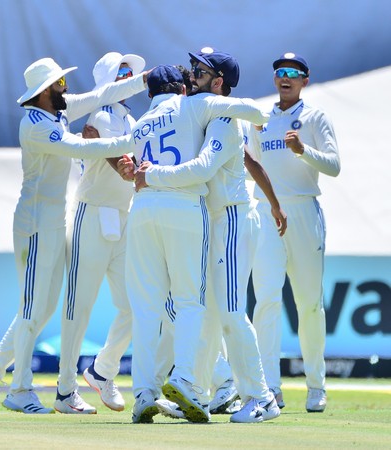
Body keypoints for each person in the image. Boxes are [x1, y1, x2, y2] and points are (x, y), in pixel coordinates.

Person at [0, 57, 148, 415]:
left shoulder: (56, 114)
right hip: (35, 224)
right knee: (34, 307)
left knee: (43, 306)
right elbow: (81, 148)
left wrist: (146, 79)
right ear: (43, 93)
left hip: (51, 221)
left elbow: (103, 93)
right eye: (60, 85)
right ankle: (19, 388)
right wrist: (134, 138)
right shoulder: (36, 125)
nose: (66, 89)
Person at [128, 48, 286, 423]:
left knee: (230, 310)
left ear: (218, 82)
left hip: (231, 218)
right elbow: (245, 161)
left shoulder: (224, 117)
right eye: (193, 68)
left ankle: (261, 397)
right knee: (207, 315)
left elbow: (202, 168)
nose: (191, 74)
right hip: (211, 220)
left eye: (200, 70)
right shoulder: (203, 112)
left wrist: (150, 176)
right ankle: (194, 390)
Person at [248, 52, 340, 413]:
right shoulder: (260, 119)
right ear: (274, 80)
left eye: (293, 73)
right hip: (267, 213)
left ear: (305, 79)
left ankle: (316, 386)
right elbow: (251, 163)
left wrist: (303, 150)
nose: (285, 78)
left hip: (303, 210)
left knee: (309, 304)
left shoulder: (315, 117)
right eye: (279, 73)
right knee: (266, 300)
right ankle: (270, 386)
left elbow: (334, 166)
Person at [54, 52, 145, 414]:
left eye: (130, 74)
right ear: (108, 76)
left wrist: (136, 167)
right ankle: (64, 390)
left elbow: (132, 165)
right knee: (79, 305)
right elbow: (120, 163)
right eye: (121, 72)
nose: (128, 78)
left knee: (136, 304)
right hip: (91, 215)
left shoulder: (130, 118)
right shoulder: (99, 115)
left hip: (123, 217)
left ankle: (102, 369)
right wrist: (131, 167)